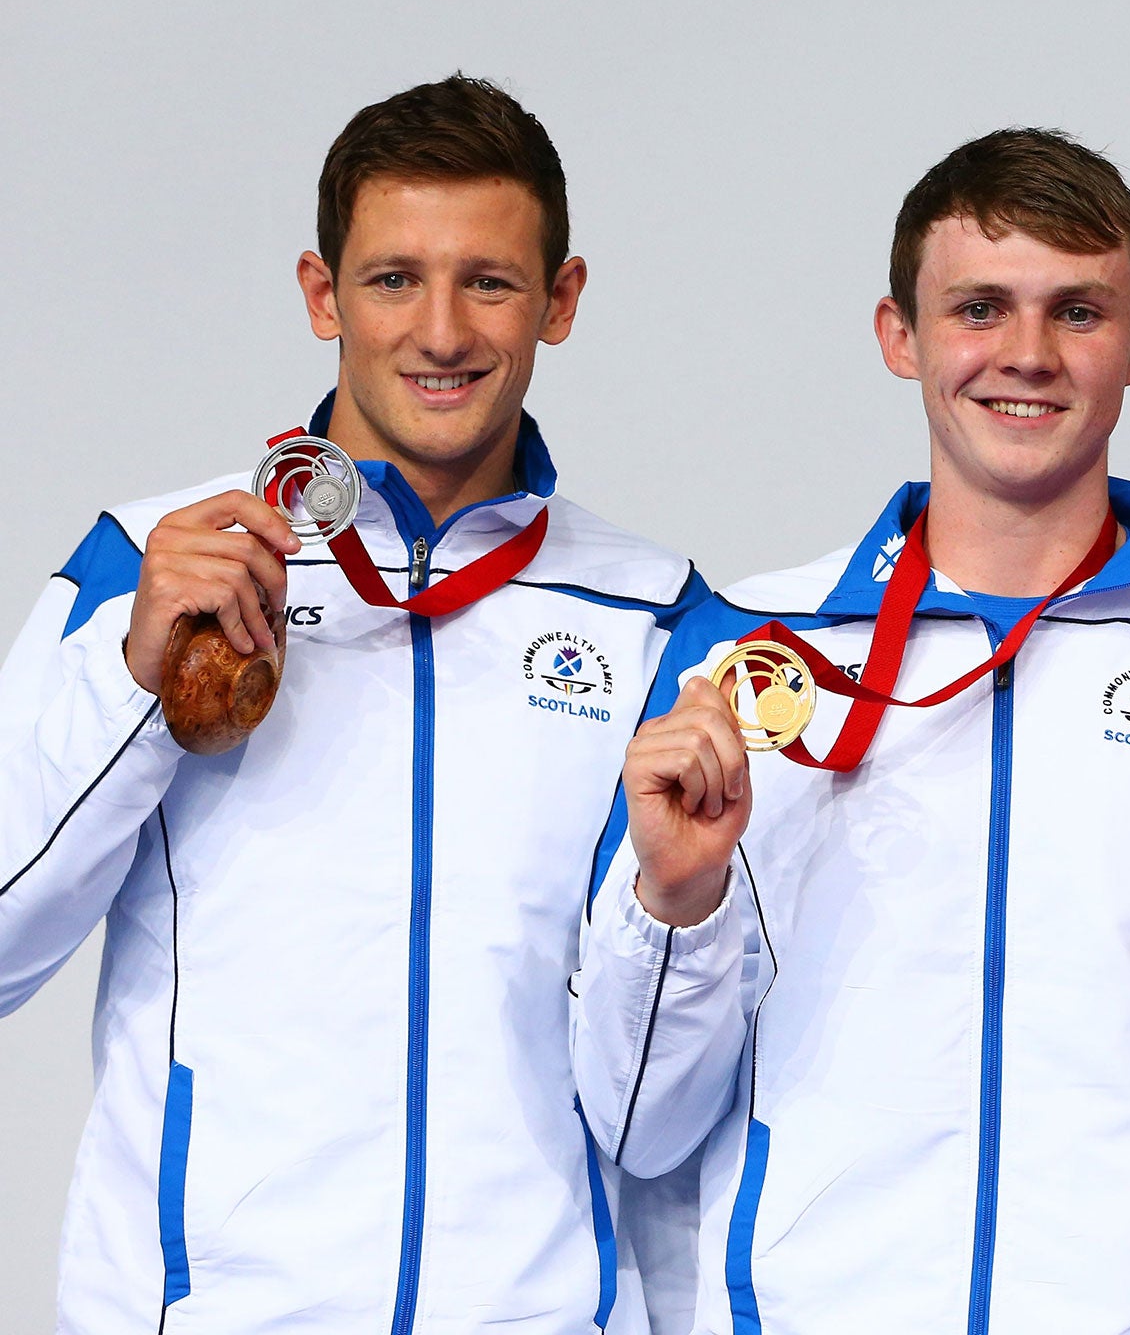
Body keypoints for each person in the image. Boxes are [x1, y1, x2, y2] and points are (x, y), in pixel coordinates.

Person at [572, 128, 1130, 1333]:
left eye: (1078, 312)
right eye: (979, 307)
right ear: (901, 335)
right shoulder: (745, 654)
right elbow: (636, 1122)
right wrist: (672, 905)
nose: (1026, 356)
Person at [0, 75, 707, 1332]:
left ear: (561, 299)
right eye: (392, 280)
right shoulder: (153, 560)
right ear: (322, 295)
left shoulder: (656, 619)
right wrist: (128, 682)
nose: (440, 332)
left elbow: (658, 1105)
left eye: (488, 281)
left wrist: (683, 906)